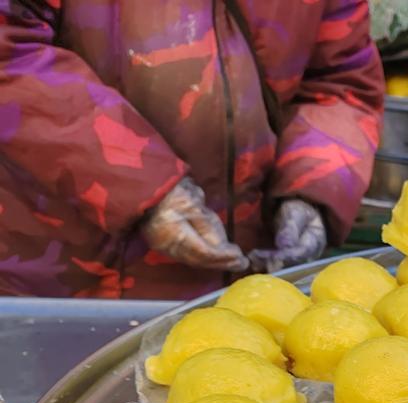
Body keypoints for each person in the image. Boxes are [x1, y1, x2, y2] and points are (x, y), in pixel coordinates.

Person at [0, 0, 384, 299]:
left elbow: (339, 81)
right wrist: (143, 188)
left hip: (241, 285)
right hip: (65, 285)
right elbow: (10, 56)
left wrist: (312, 190)